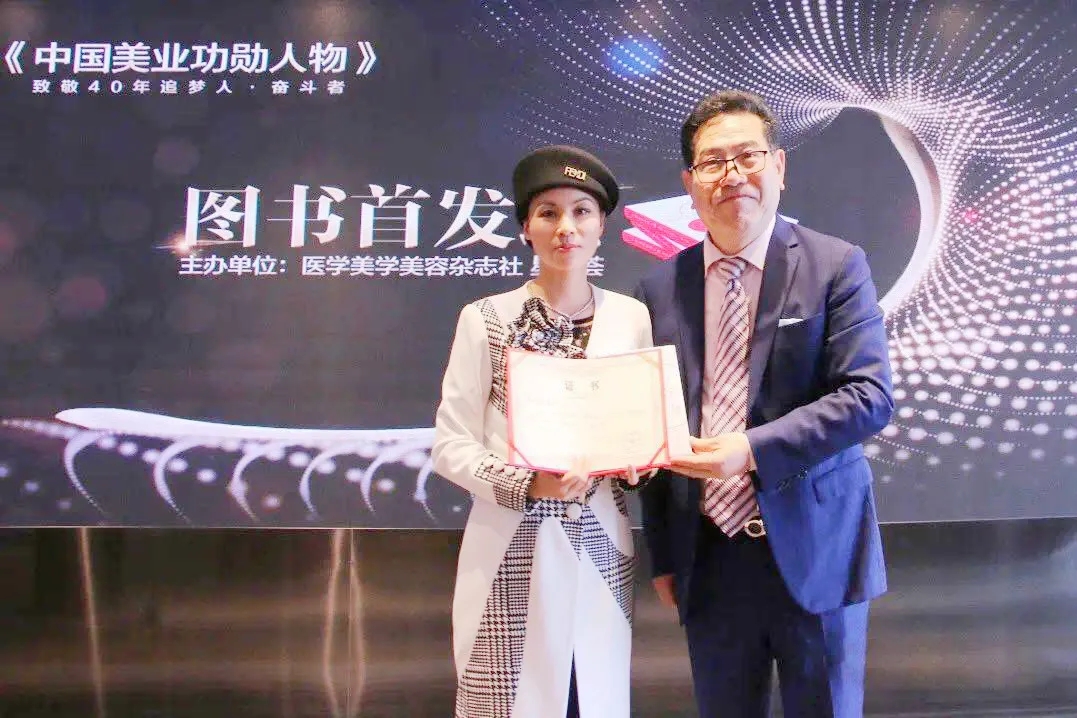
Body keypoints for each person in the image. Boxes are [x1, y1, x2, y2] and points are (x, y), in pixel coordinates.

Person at [636, 89, 894, 717]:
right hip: (709, 558)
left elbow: (868, 396)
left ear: (778, 166)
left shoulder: (836, 265)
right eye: (712, 162)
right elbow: (653, 422)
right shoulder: (659, 287)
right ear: (690, 183)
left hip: (817, 550)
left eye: (748, 156)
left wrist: (750, 450)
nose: (732, 175)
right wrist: (665, 554)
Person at [432, 145, 652, 718]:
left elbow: (641, 429)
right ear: (526, 228)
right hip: (510, 546)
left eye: (582, 211)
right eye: (548, 213)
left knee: (590, 698)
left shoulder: (631, 318)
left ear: (602, 226)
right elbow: (450, 447)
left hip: (601, 545)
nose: (566, 228)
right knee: (509, 703)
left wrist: (639, 461)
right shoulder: (486, 318)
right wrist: (531, 484)